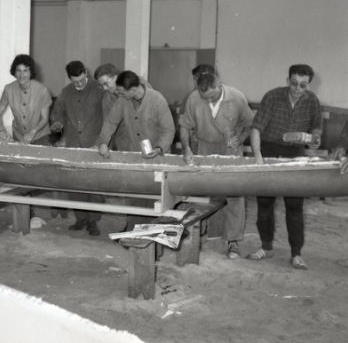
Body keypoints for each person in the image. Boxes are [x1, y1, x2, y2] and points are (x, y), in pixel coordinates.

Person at [249, 64, 322, 270]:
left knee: (295, 206)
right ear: (287, 80)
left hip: (295, 153)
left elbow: (316, 129)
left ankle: (296, 254)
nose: (297, 89)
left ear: (309, 84)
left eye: (303, 85)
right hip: (269, 149)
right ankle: (266, 247)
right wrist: (258, 156)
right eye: (294, 83)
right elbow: (256, 129)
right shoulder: (272, 97)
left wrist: (314, 140)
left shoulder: (312, 101)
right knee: (265, 204)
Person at [179, 71, 254, 259]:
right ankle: (212, 233)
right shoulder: (194, 98)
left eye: (211, 97)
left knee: (234, 194)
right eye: (204, 97)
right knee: (207, 190)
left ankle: (233, 240)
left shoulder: (236, 97)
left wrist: (240, 139)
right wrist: (186, 149)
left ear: (219, 86)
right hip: (205, 146)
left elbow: (249, 124)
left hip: (230, 148)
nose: (208, 100)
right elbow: (185, 126)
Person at [96, 70, 175, 230]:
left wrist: (159, 148)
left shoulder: (157, 100)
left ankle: (153, 232)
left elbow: (168, 130)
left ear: (133, 90)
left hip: (158, 156)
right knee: (136, 195)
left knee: (157, 197)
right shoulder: (123, 101)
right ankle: (134, 229)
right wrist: (103, 142)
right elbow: (111, 122)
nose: (119, 95)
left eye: (121, 92)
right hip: (136, 154)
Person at [51, 61, 104, 236]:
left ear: (86, 73)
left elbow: (109, 115)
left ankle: (93, 221)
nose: (80, 84)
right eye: (76, 82)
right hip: (73, 144)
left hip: (95, 143)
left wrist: (104, 142)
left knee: (95, 185)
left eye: (82, 80)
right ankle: (80, 219)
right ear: (70, 79)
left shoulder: (99, 89)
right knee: (75, 184)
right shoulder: (66, 92)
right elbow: (57, 112)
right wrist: (57, 123)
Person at [0, 54, 52, 145]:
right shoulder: (8, 89)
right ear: (14, 72)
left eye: (25, 71)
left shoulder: (42, 90)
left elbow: (44, 119)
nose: (22, 75)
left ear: (31, 72)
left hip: (40, 136)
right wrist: (2, 130)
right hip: (18, 136)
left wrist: (33, 131)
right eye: (18, 71)